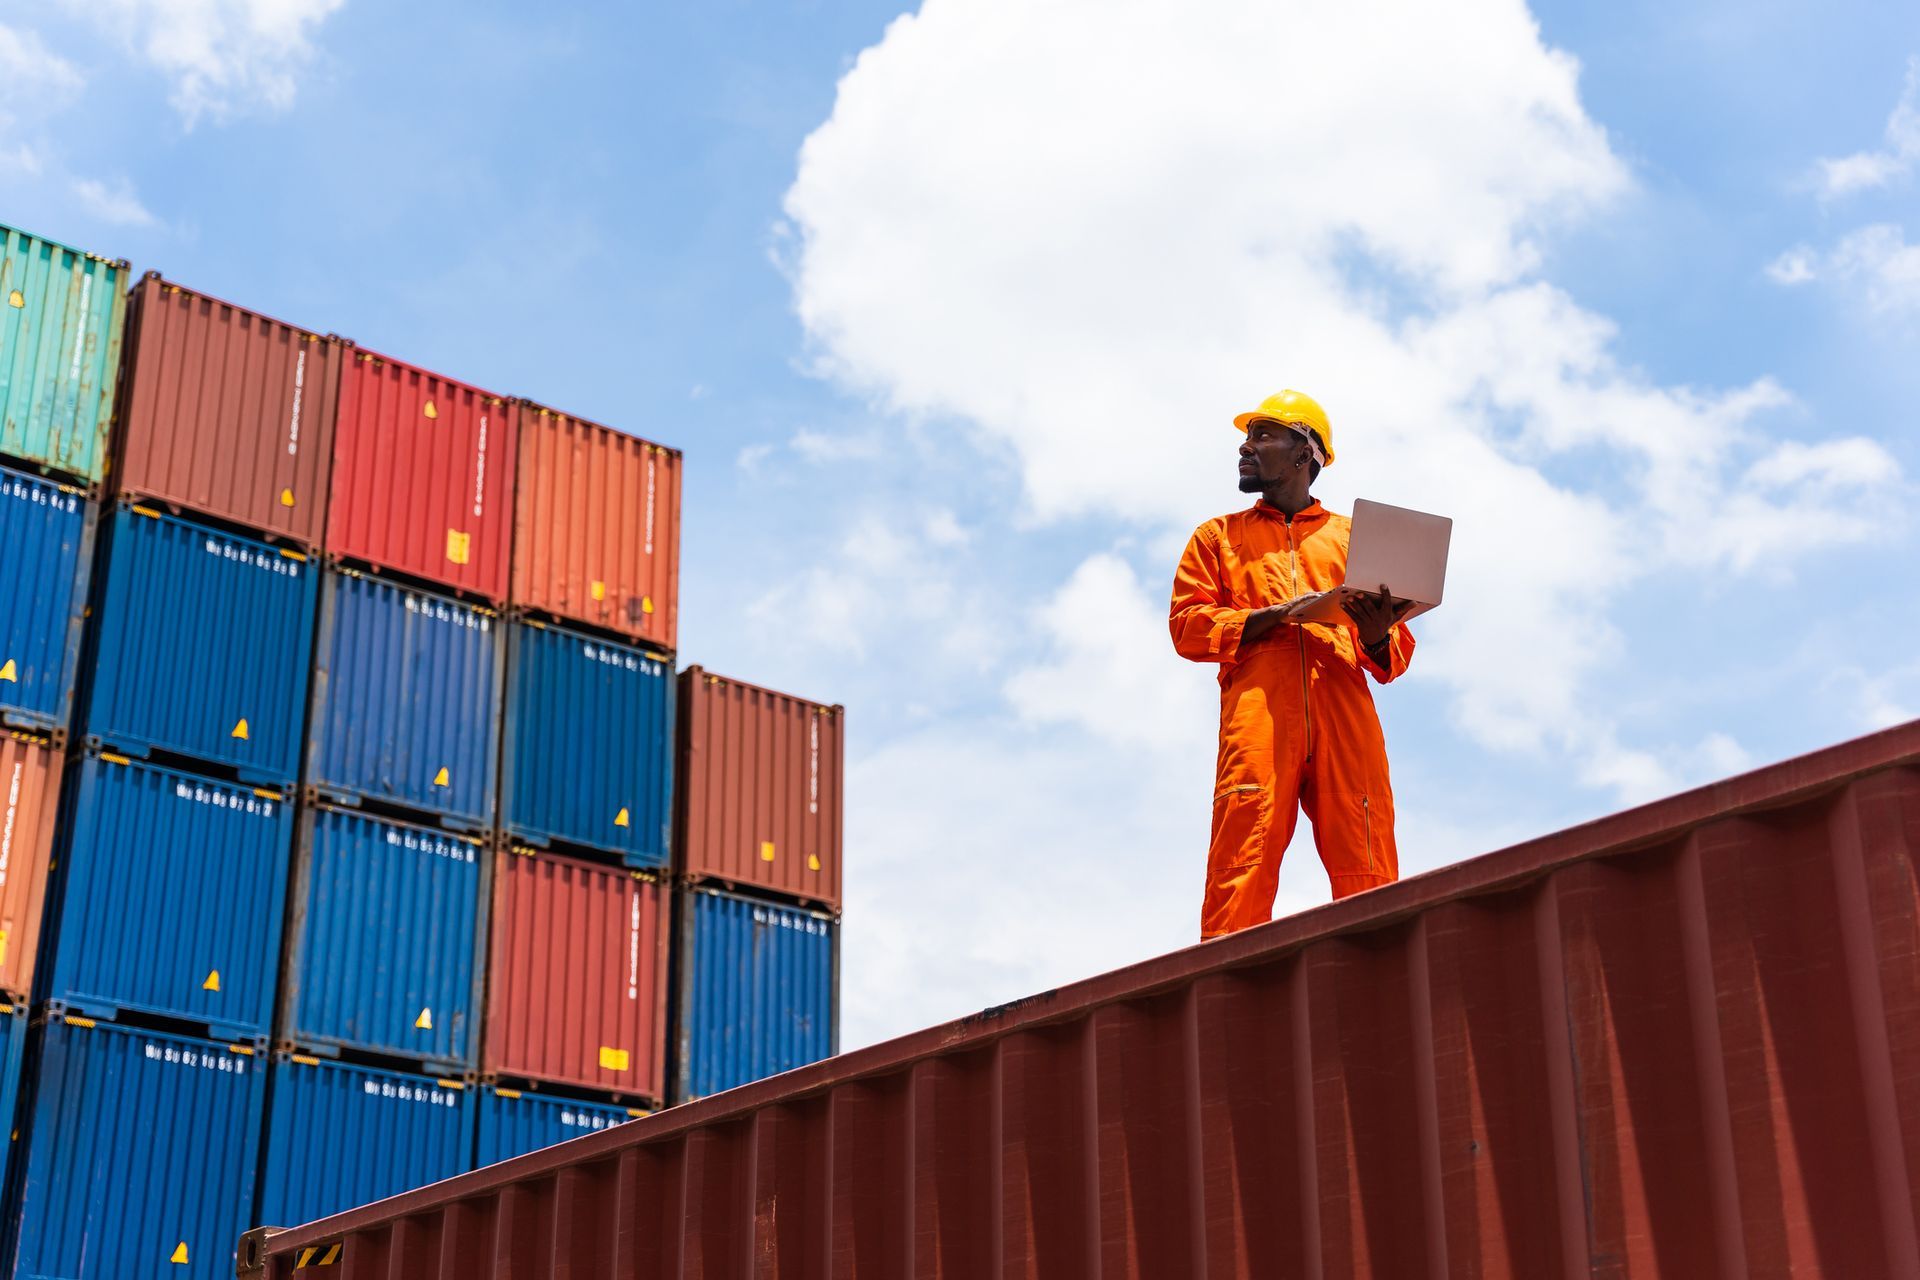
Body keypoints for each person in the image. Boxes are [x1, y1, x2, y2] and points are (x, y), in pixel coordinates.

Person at [1169, 390, 1415, 939]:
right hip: (1260, 714)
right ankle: (1225, 985)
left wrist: (1378, 636)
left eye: (1262, 436)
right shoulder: (1217, 538)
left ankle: (1385, 976)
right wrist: (1278, 616)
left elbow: (1395, 654)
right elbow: (1187, 628)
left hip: (1343, 709)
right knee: (1243, 852)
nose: (1245, 448)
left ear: (1306, 453)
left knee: (1367, 850)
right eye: (1246, 437)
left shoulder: (1355, 538)